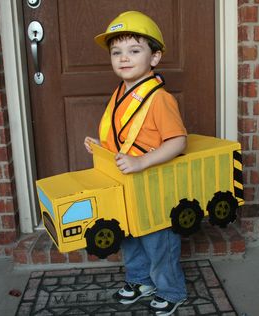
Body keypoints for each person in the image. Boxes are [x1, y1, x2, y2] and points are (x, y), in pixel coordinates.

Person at [84, 11, 187, 316]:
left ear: (155, 58)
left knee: (159, 242)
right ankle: (141, 281)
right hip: (127, 185)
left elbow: (177, 142)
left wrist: (142, 163)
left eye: (134, 50)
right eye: (116, 52)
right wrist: (100, 147)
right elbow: (125, 136)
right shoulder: (121, 92)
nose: (123, 58)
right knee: (129, 235)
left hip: (153, 186)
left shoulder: (159, 99)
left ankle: (171, 290)